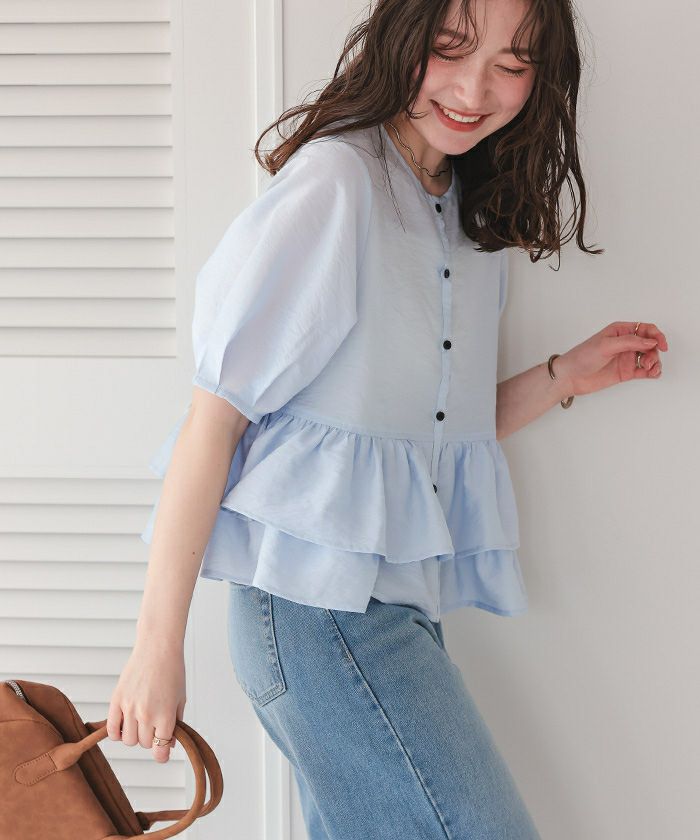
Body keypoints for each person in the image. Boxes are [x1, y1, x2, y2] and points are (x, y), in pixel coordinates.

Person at [108, 0, 669, 836]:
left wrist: (565, 376)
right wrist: (156, 649)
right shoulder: (338, 183)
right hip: (315, 613)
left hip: (392, 608)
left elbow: (425, 435)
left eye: (511, 65)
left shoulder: (468, 216)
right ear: (402, 37)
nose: (473, 91)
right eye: (449, 50)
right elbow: (214, 418)